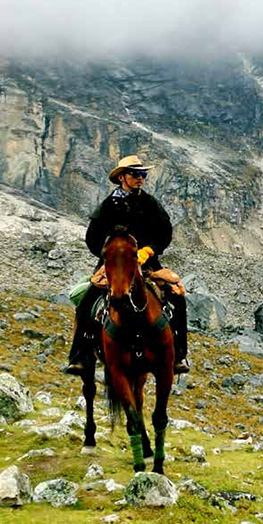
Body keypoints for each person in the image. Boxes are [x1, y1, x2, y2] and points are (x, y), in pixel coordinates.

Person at [64, 155, 190, 375]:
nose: (140, 178)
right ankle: (79, 356)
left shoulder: (150, 204)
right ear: (122, 177)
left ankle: (178, 355)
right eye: (135, 174)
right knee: (87, 302)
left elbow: (165, 232)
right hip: (112, 266)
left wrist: (148, 250)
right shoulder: (108, 206)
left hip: (148, 265)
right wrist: (110, 255)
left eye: (143, 175)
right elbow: (93, 238)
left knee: (177, 295)